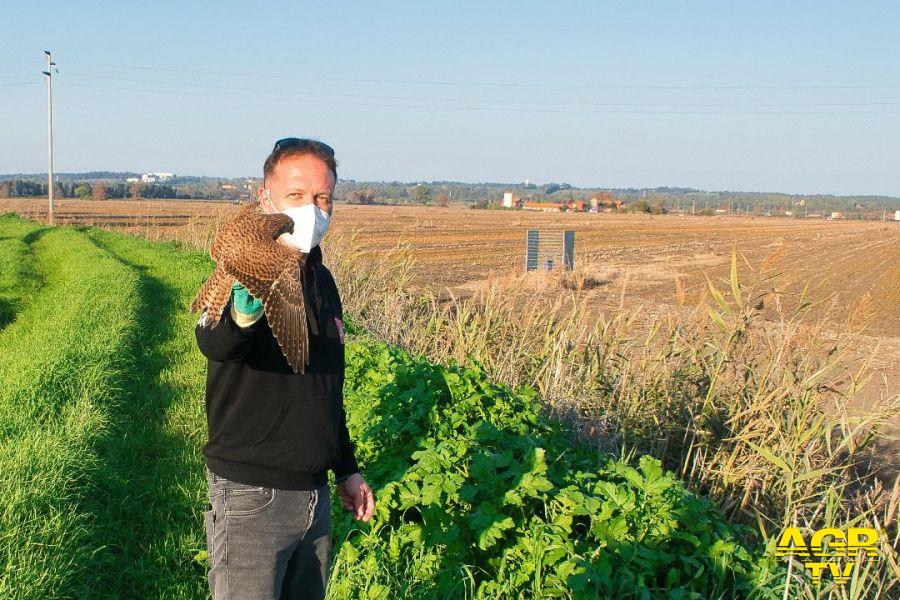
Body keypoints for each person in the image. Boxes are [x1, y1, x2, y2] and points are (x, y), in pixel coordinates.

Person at [195, 137, 375, 600]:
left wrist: (347, 469)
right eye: (296, 196)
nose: (311, 210)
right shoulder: (248, 259)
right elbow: (214, 342)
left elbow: (325, 389)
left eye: (322, 198)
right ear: (265, 197)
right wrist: (242, 315)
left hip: (314, 500)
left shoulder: (323, 280)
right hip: (252, 493)